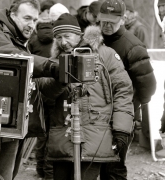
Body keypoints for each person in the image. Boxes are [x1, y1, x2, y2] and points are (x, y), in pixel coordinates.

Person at [37, 13, 134, 180]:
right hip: (63, 138)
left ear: (79, 35)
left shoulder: (105, 55)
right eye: (58, 37)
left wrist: (121, 129)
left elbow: (123, 91)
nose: (63, 42)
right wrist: (62, 78)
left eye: (67, 36)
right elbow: (46, 92)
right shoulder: (54, 62)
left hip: (95, 135)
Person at [0, 0, 60, 180]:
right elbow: (17, 60)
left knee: (8, 175)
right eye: (27, 18)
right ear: (12, 15)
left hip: (15, 121)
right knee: (2, 176)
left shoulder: (19, 41)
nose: (32, 24)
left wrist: (63, 78)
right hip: (0, 120)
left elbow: (39, 85)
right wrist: (52, 66)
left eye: (35, 20)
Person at [98, 0, 156, 180]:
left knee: (114, 167)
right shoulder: (93, 41)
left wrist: (132, 108)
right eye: (103, 20)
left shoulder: (133, 46)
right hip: (97, 115)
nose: (106, 25)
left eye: (112, 21)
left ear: (123, 19)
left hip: (121, 116)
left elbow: (148, 85)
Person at [28, 2, 69, 180]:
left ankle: (41, 170)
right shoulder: (63, 39)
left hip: (39, 90)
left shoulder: (33, 37)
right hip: (58, 90)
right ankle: (50, 173)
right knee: (56, 136)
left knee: (42, 134)